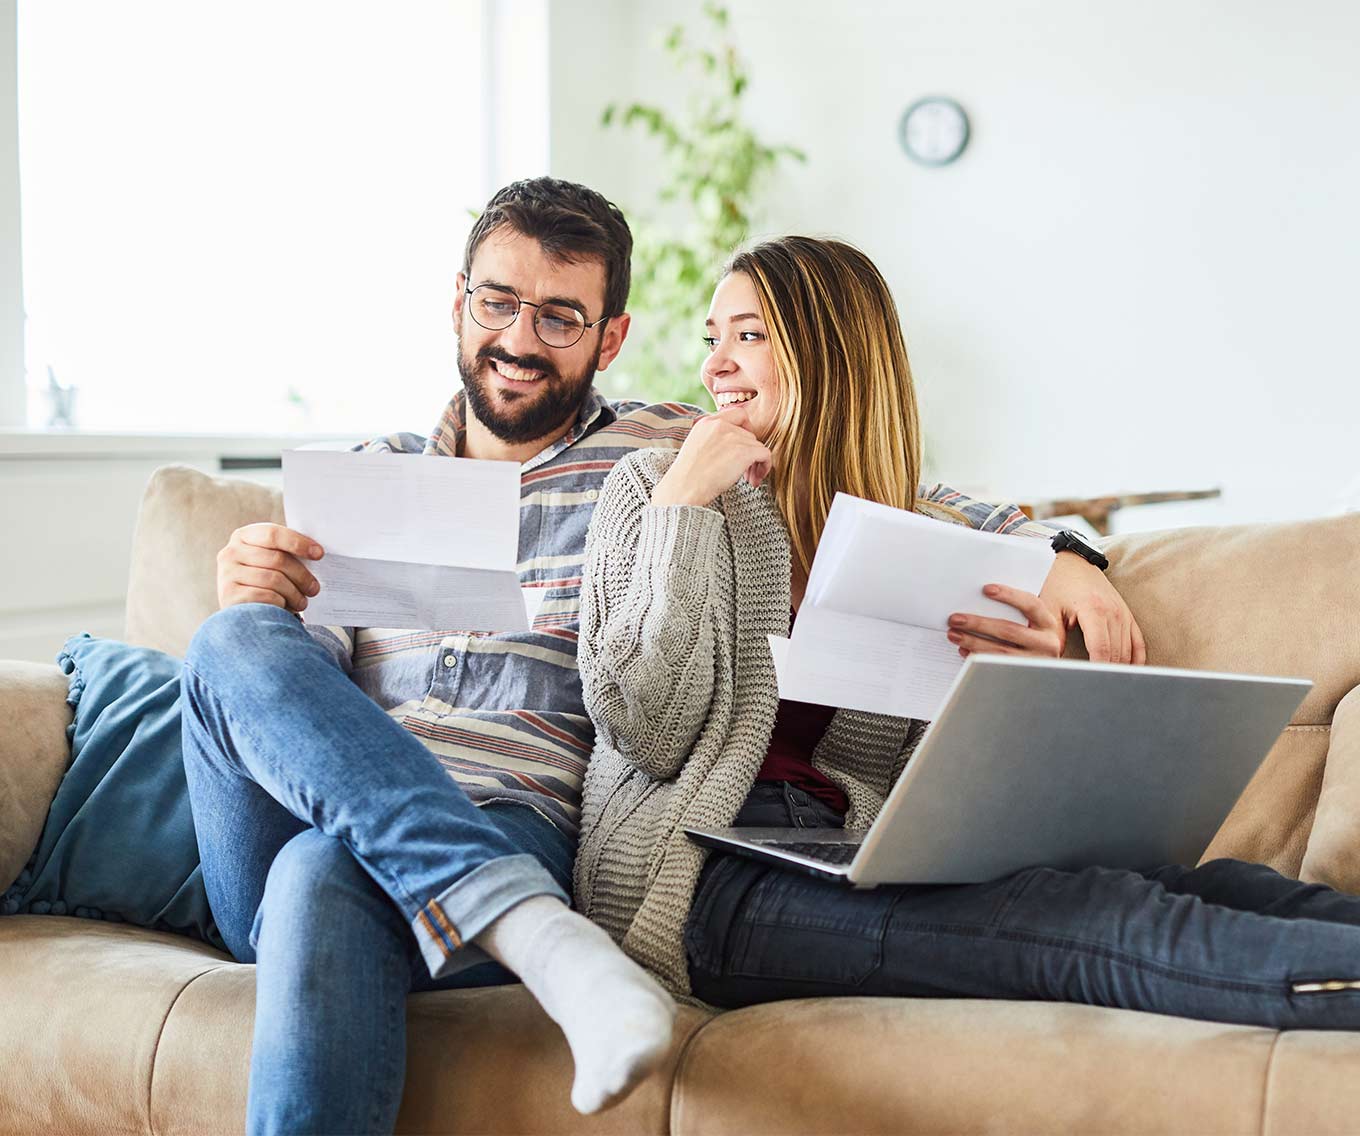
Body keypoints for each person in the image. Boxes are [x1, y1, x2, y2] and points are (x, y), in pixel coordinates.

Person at [574, 234, 1360, 1029]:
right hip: (704, 880)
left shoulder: (921, 532)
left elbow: (936, 798)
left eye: (748, 335)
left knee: (1216, 884)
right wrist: (684, 513)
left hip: (860, 848)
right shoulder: (654, 490)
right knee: (1093, 919)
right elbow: (648, 731)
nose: (714, 365)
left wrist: (1001, 688)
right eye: (714, 339)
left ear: (831, 352)